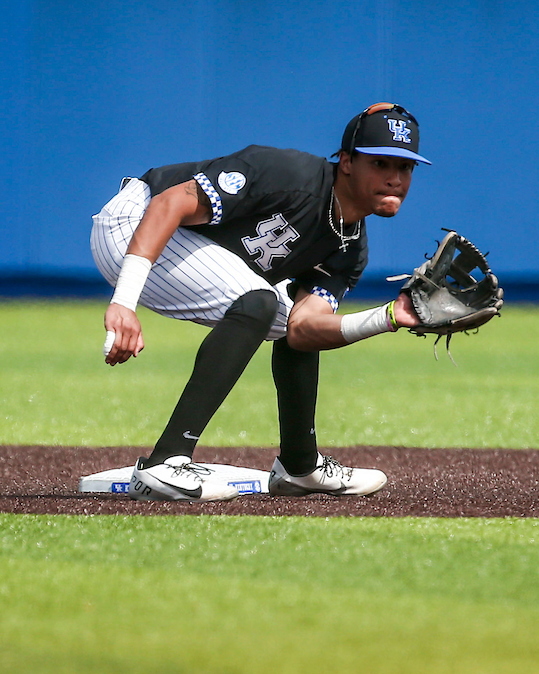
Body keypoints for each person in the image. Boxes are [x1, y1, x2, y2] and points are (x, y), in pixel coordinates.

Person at [91, 102, 433, 501]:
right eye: (380, 164)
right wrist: (124, 302)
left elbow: (304, 331)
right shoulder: (290, 175)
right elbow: (170, 203)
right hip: (133, 222)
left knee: (282, 320)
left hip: (180, 245)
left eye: (404, 168)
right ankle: (166, 461)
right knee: (258, 302)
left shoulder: (350, 247)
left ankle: (299, 467)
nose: (394, 179)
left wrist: (391, 316)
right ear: (345, 162)